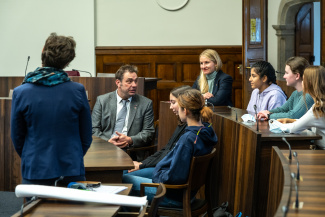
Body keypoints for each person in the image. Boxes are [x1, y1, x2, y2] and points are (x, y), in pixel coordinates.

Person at [10, 33, 92, 186]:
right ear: (68, 61)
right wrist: (72, 157)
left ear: (43, 51)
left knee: (35, 211)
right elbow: (86, 136)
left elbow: (17, 137)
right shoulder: (77, 91)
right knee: (70, 211)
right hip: (71, 170)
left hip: (35, 170)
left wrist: (32, 157)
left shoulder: (21, 92)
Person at [123, 89, 218, 207]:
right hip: (187, 193)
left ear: (186, 111)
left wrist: (158, 173)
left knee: (122, 180)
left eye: (179, 107)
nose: (176, 110)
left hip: (173, 195)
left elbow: (174, 177)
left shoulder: (187, 139)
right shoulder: (206, 130)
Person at [124, 85, 191, 177]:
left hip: (165, 173)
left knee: (124, 177)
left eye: (173, 102)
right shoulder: (183, 124)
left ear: (185, 104)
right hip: (162, 167)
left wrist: (142, 165)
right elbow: (166, 150)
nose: (170, 107)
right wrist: (142, 163)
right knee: (122, 170)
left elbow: (170, 156)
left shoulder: (190, 132)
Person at [91, 65, 155, 161]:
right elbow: (93, 129)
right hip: (105, 149)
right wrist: (108, 142)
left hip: (131, 152)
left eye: (135, 81)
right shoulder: (102, 100)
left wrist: (130, 140)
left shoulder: (145, 103)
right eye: (129, 81)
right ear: (118, 82)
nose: (134, 85)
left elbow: (149, 132)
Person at [278, 66, 325, 149]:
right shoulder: (321, 103)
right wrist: (292, 120)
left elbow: (293, 129)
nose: (302, 82)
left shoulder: (317, 108)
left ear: (309, 83)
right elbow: (314, 122)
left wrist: (274, 124)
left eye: (303, 80)